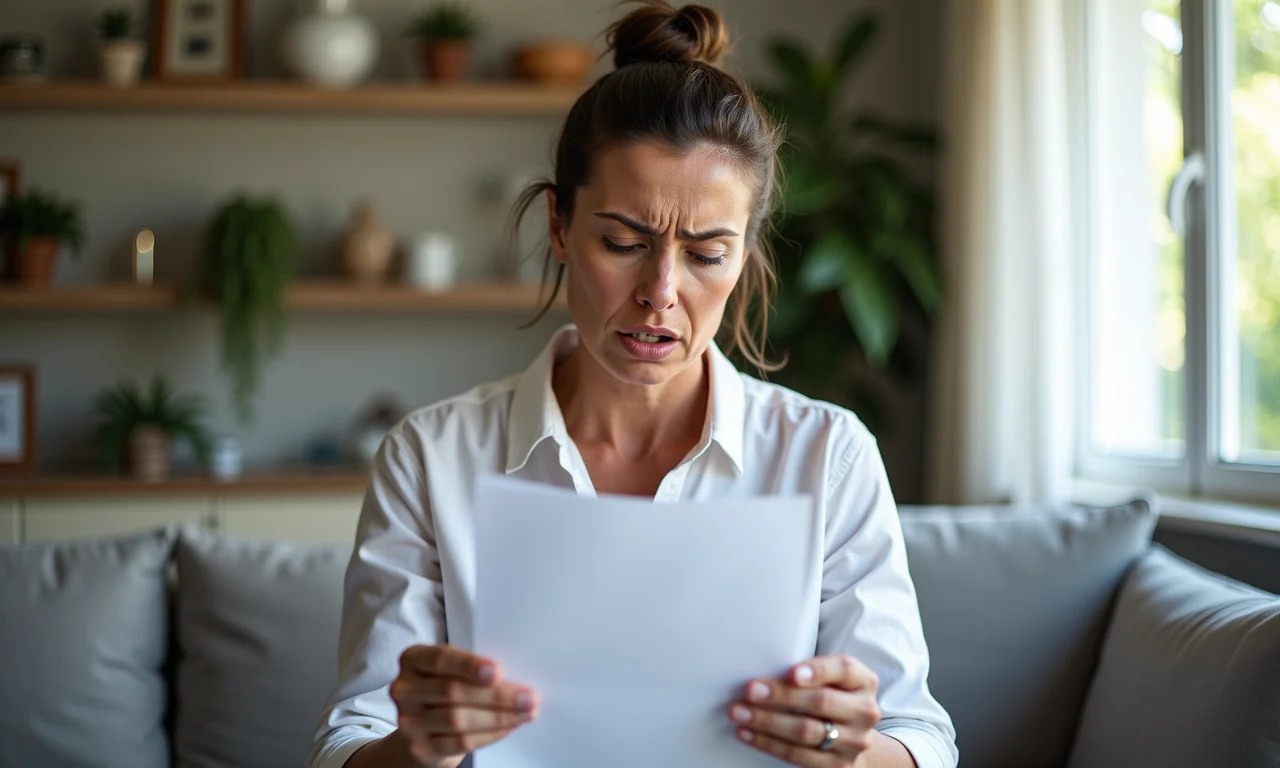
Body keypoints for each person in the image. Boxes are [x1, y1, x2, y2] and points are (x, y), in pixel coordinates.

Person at [309, 2, 957, 766]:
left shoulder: (829, 455)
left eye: (708, 254)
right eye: (623, 241)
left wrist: (847, 748)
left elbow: (921, 741)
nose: (660, 291)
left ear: (745, 257)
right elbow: (350, 742)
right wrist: (419, 746)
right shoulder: (431, 456)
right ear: (558, 226)